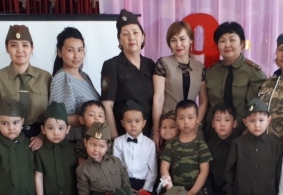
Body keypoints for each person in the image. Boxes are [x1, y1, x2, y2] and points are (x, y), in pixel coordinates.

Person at [0, 25, 51, 164]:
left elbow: (52, 114)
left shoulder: (45, 77)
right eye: (14, 45)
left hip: (39, 138)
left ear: (32, 48)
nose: (20, 50)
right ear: (7, 48)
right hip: (8, 140)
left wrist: (42, 137)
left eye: (25, 45)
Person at [224, 98, 282, 195]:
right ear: (245, 122)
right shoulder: (238, 144)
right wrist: (229, 190)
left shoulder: (275, 145)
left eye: (261, 120)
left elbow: (279, 171)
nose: (257, 125)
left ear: (268, 120)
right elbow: (230, 169)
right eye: (252, 121)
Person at [204, 21, 267, 136]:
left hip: (243, 134)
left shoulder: (254, 73)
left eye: (232, 40)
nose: (227, 45)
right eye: (222, 41)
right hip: (213, 135)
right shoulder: (210, 72)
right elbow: (206, 105)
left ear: (242, 44)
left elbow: (258, 108)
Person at [101, 9, 155, 139]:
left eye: (135, 32)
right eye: (125, 34)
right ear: (120, 40)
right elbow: (107, 105)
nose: (131, 37)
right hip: (123, 136)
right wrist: (115, 138)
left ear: (143, 37)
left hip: (149, 135)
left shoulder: (150, 65)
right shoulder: (111, 65)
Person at [152, 21, 208, 146]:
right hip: (168, 127)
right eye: (173, 40)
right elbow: (158, 98)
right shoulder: (163, 63)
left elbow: (204, 101)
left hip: (192, 126)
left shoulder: (200, 67)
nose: (178, 44)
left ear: (191, 40)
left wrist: (196, 123)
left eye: (182, 39)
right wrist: (156, 129)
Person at [34, 101, 78, 195]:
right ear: (43, 130)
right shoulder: (40, 151)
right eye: (50, 128)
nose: (56, 133)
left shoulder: (74, 149)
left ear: (68, 129)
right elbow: (38, 177)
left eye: (60, 128)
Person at [50, 27, 101, 142]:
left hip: (93, 141)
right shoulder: (62, 78)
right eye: (70, 50)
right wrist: (89, 118)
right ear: (59, 52)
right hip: (75, 142)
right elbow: (58, 118)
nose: (77, 56)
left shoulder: (84, 76)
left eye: (80, 50)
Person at [76, 122, 128, 195]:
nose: (96, 149)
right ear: (85, 142)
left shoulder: (116, 162)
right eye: (93, 144)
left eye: (101, 146)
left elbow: (125, 182)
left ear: (108, 147)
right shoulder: (82, 169)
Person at [113, 100, 157, 195]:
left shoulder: (150, 144)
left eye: (137, 121)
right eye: (129, 121)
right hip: (125, 183)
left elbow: (153, 169)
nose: (133, 125)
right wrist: (124, 186)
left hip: (143, 184)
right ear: (122, 123)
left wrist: (146, 188)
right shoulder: (118, 142)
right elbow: (116, 166)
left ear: (144, 123)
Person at [160, 100, 212, 195]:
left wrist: (192, 193)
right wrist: (171, 190)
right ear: (176, 120)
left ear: (197, 119)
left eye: (190, 118)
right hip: (174, 193)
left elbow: (204, 171)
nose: (186, 122)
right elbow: (164, 169)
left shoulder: (201, 145)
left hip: (197, 194)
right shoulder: (171, 144)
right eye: (181, 118)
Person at [206, 102, 239, 195]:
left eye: (227, 120)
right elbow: (206, 173)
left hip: (236, 192)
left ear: (234, 123)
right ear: (213, 123)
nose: (222, 124)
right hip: (216, 192)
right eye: (218, 120)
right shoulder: (208, 145)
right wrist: (210, 194)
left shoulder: (239, 144)